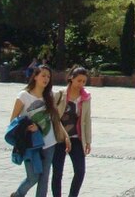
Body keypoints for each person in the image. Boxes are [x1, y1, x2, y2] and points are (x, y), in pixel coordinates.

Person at [9, 64, 70, 197]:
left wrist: (66, 137)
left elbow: (55, 119)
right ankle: (18, 194)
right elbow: (13, 120)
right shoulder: (23, 95)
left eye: (48, 76)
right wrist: (29, 126)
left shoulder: (49, 96)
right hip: (30, 144)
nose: (46, 79)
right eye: (43, 75)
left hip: (49, 142)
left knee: (44, 178)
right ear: (35, 76)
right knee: (33, 177)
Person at [51, 66, 91, 197]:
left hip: (77, 139)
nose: (81, 84)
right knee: (57, 172)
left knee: (80, 171)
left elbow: (86, 119)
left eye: (84, 81)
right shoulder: (59, 94)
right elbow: (54, 117)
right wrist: (63, 135)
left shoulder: (86, 97)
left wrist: (88, 141)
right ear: (71, 78)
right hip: (59, 139)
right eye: (79, 80)